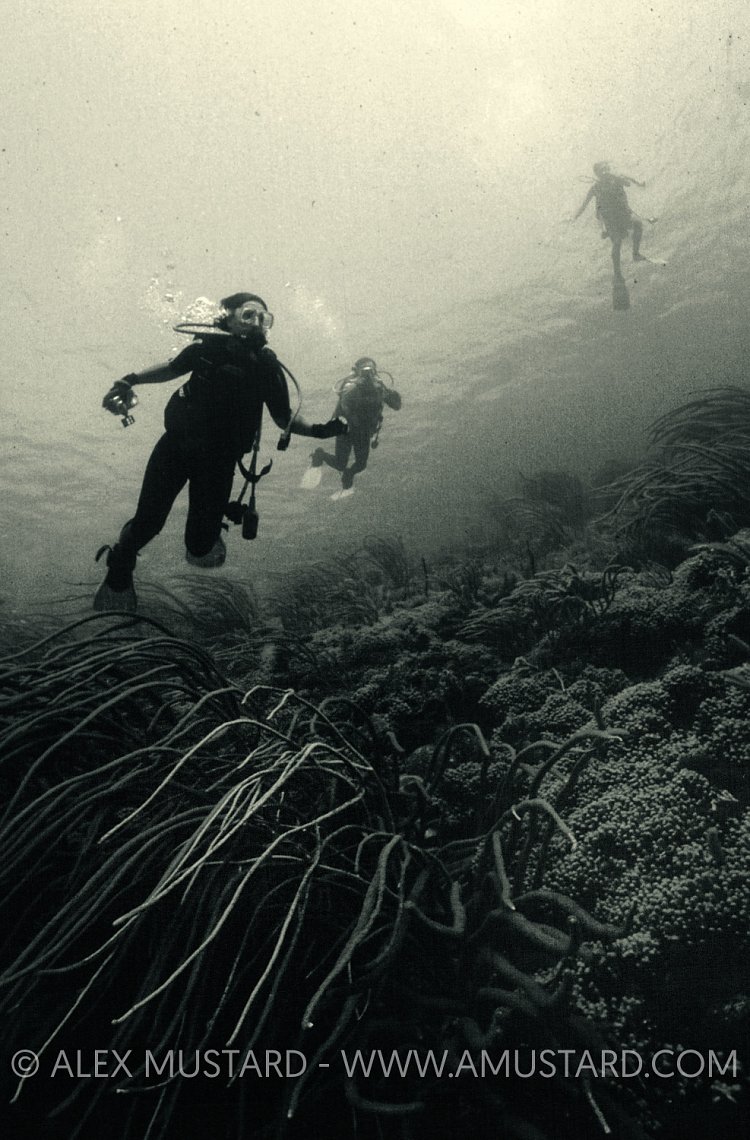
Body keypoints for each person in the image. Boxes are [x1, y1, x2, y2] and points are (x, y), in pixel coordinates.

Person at [94, 292, 346, 611]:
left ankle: (211, 525)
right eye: (249, 315)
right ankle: (120, 565)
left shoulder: (267, 367)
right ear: (229, 318)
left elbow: (283, 418)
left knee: (200, 548)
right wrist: (130, 380)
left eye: (263, 319)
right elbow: (171, 369)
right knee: (148, 523)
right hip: (176, 447)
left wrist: (317, 430)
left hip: (219, 462)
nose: (257, 323)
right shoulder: (207, 349)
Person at [309, 357, 401, 491]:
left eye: (371, 371)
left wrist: (387, 392)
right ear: (356, 372)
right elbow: (345, 405)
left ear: (375, 372)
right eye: (364, 371)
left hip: (363, 432)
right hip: (346, 431)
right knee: (340, 464)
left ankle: (348, 474)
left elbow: (397, 406)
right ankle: (319, 455)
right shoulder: (350, 388)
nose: (368, 374)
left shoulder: (379, 388)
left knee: (361, 464)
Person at [572, 162, 648, 280]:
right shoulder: (595, 188)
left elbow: (628, 183)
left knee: (638, 225)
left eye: (606, 169)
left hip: (623, 215)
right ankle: (617, 272)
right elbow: (584, 205)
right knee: (617, 242)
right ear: (597, 174)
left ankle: (636, 254)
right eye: (602, 171)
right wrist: (574, 217)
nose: (605, 172)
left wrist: (637, 183)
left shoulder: (616, 179)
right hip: (611, 220)